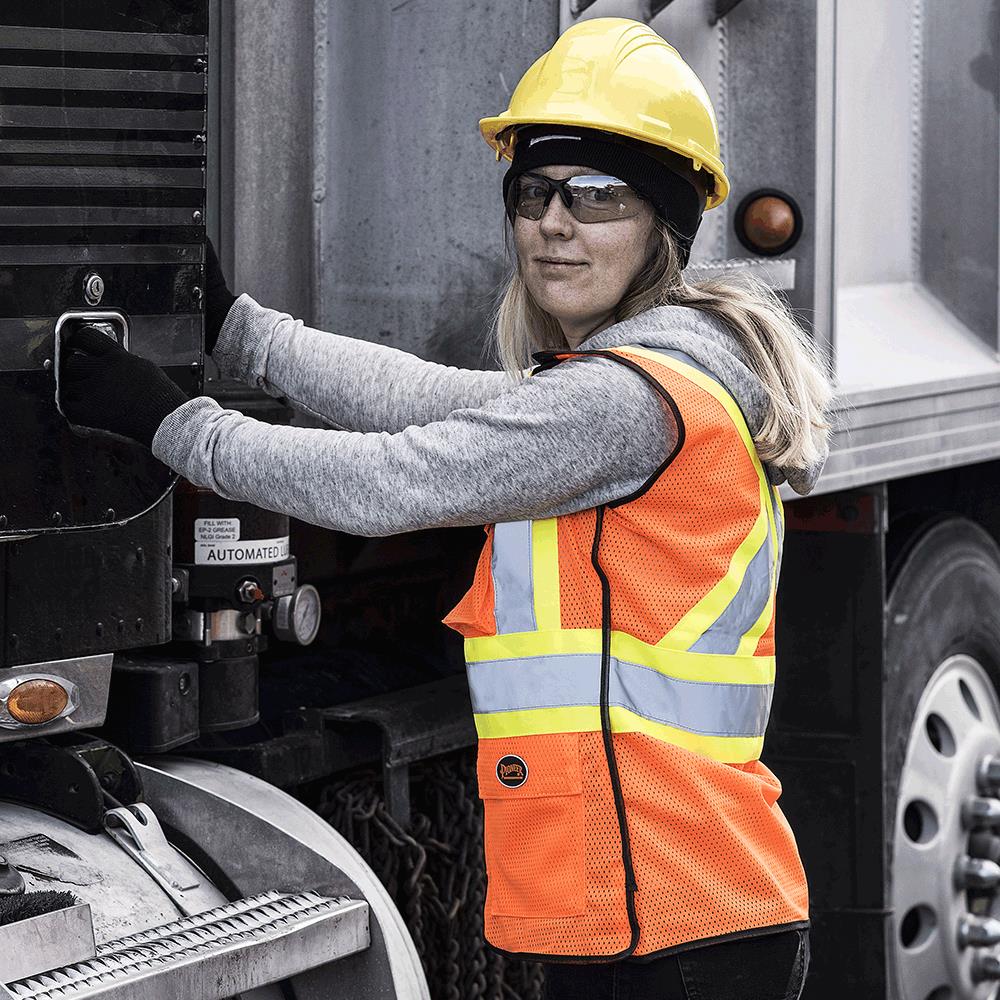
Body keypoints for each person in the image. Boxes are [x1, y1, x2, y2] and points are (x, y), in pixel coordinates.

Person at [58, 17, 831, 1000]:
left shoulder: (624, 403)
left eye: (598, 196)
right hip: (661, 912)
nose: (556, 221)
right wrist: (241, 334)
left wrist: (178, 426)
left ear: (660, 228)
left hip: (670, 933)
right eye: (534, 192)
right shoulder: (636, 383)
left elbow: (399, 477)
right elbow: (426, 398)